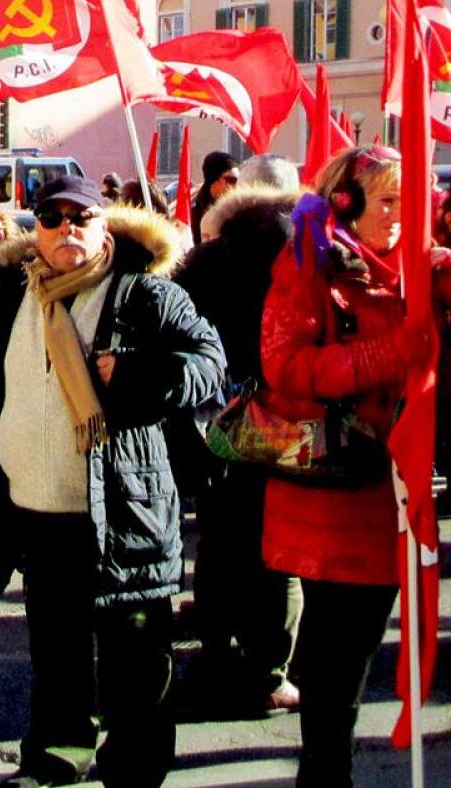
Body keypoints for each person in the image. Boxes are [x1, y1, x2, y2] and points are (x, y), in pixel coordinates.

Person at [0, 176, 225, 787]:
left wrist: (139, 373)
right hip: (36, 504)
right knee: (56, 652)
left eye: (80, 217)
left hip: (123, 508)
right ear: (37, 230)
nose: (67, 229)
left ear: (103, 225)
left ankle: (136, 768)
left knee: (136, 655)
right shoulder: (12, 291)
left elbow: (210, 367)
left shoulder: (144, 293)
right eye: (52, 219)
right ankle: (58, 756)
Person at [259, 146, 445, 787]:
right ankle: (324, 775)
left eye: (408, 200)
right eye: (387, 200)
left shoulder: (418, 267)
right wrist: (388, 354)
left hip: (396, 487)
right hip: (333, 492)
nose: (399, 215)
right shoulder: (309, 263)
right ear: (347, 202)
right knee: (341, 659)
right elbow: (285, 366)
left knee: (349, 652)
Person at [174, 176, 304, 718]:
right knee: (281, 555)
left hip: (223, 421)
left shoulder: (209, 262)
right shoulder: (307, 250)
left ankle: (215, 655)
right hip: (293, 417)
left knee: (221, 542)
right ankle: (272, 672)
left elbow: (181, 330)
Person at [197, 154, 299, 242]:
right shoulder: (307, 238)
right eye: (231, 180)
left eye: (235, 180)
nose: (232, 185)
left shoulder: (220, 237)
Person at [190, 151, 239, 244]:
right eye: (232, 180)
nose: (236, 186)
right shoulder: (192, 218)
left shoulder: (238, 213)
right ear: (214, 180)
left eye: (238, 180)